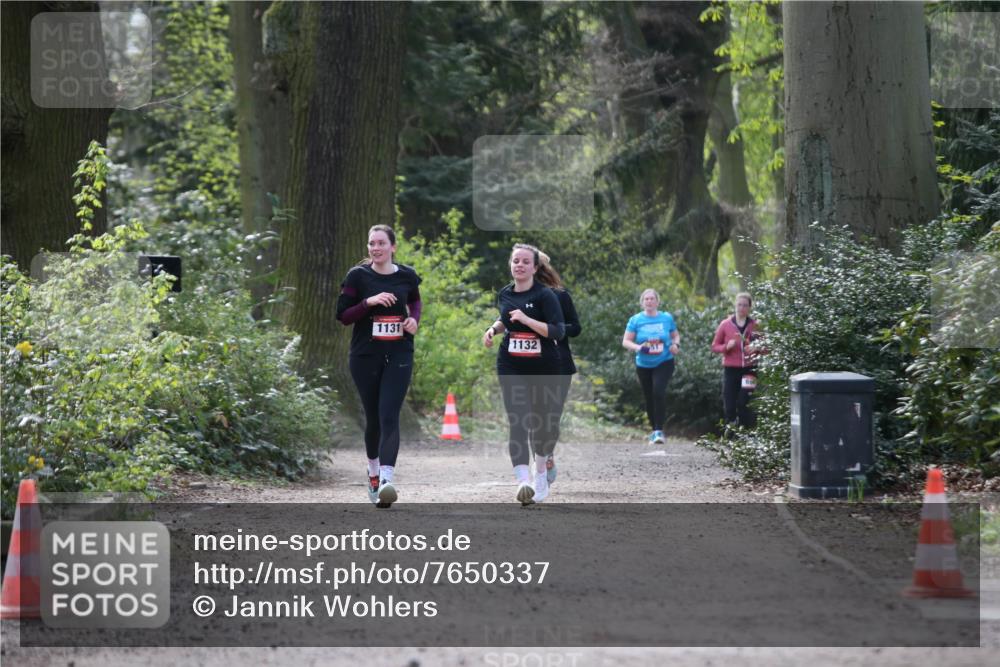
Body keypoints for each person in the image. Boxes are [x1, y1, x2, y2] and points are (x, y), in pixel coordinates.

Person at [336, 225, 422, 508]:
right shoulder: (357, 276)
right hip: (365, 356)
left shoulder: (407, 275)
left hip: (399, 352)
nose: (375, 248)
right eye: (371, 243)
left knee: (389, 416)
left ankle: (387, 481)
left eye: (381, 243)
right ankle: (372, 472)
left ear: (393, 247)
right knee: (373, 418)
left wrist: (414, 320)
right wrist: (368, 302)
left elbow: (415, 301)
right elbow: (343, 316)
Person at [483, 244, 565, 505]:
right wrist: (494, 329)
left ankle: (540, 474)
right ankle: (523, 482)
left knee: (542, 425)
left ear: (535, 267)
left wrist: (528, 320)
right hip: (511, 365)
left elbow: (557, 331)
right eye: (515, 261)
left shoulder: (545, 296)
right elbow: (506, 317)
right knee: (517, 421)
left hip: (544, 367)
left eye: (524, 262)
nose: (519, 265)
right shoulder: (505, 293)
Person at [622, 288, 680, 445]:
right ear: (642, 303)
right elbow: (625, 341)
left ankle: (659, 431)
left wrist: (676, 344)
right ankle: (654, 430)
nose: (649, 301)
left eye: (652, 299)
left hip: (664, 361)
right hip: (643, 364)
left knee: (658, 391)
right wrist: (639, 348)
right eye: (646, 299)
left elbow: (675, 335)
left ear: (657, 301)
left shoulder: (666, 318)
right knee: (649, 397)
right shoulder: (636, 320)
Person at [711, 292, 760, 429]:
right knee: (730, 404)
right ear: (735, 306)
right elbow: (714, 346)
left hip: (750, 369)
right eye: (739, 304)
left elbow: (767, 347)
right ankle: (732, 428)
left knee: (745, 402)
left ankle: (746, 433)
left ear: (749, 307)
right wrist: (727, 347)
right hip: (731, 369)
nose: (741, 308)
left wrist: (757, 346)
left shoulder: (755, 325)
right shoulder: (725, 324)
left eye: (745, 305)